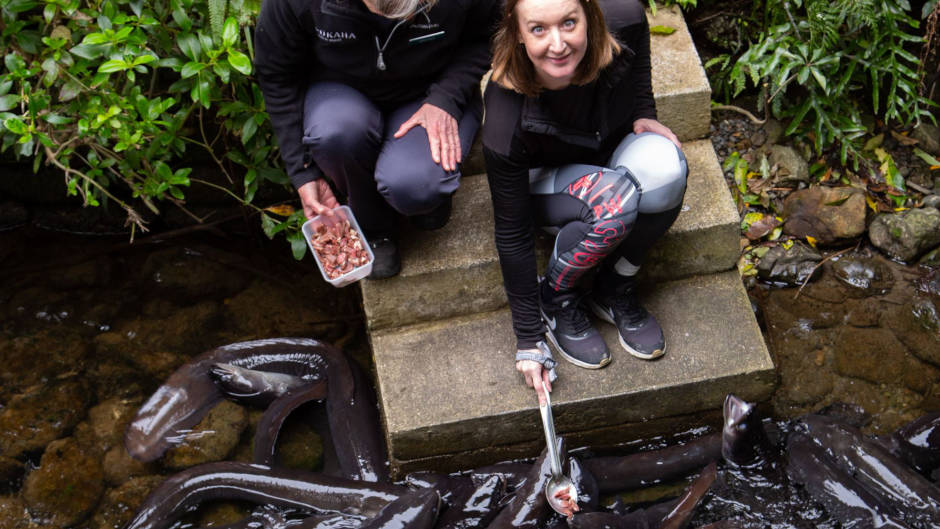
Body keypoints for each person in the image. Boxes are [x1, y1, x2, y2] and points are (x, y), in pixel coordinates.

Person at [482, 0, 688, 403]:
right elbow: (512, 232)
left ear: (590, 17)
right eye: (538, 29)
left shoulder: (624, 19)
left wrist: (645, 111)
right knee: (612, 201)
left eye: (569, 23)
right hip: (547, 188)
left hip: (607, 159)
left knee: (667, 166)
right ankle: (557, 297)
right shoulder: (505, 115)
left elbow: (640, 63)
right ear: (518, 33)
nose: (557, 44)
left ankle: (614, 287)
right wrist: (528, 340)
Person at [255, 0, 499, 279]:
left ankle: (423, 194)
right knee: (335, 135)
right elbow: (277, 75)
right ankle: (374, 228)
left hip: (431, 89)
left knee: (417, 186)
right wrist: (302, 172)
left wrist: (447, 98)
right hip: (340, 93)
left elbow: (491, 32)